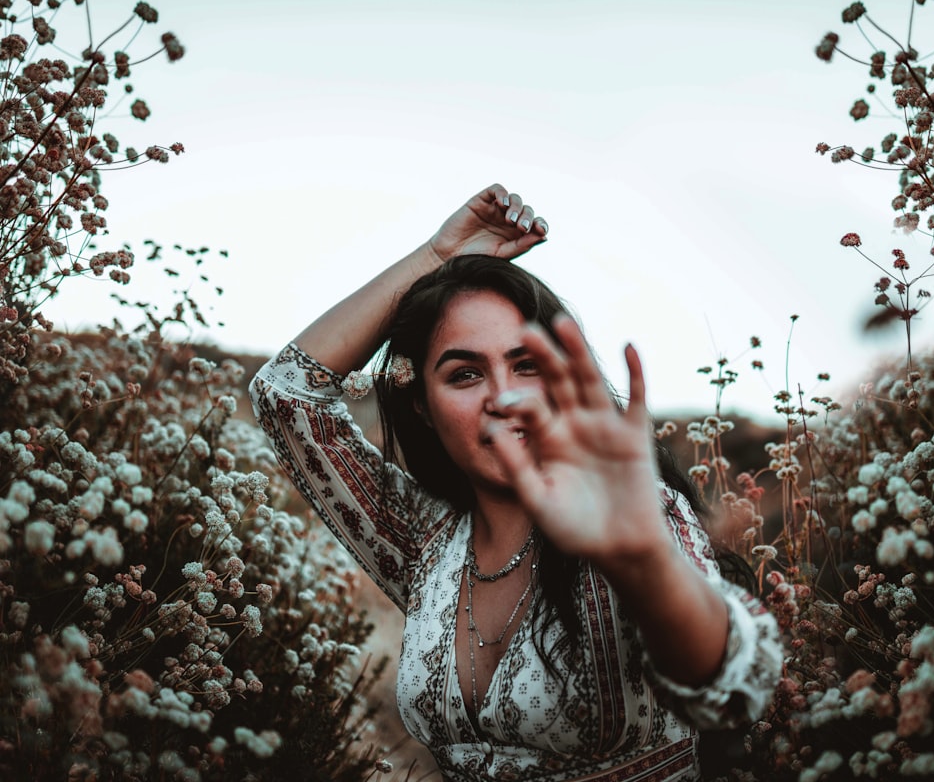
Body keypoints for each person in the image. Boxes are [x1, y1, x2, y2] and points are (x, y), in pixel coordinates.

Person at [250, 184, 782, 781]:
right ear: (423, 404)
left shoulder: (628, 516)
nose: (503, 398)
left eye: (525, 365)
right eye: (464, 374)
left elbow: (731, 682)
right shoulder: (425, 544)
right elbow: (286, 396)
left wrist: (645, 565)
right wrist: (435, 257)